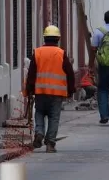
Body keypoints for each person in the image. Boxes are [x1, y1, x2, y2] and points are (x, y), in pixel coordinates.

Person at [25, 25, 75, 153]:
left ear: (45, 38)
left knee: (39, 113)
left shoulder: (37, 52)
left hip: (40, 91)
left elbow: (31, 74)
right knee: (54, 117)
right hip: (57, 93)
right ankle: (50, 144)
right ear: (58, 38)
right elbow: (70, 73)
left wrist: (29, 90)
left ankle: (39, 132)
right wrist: (71, 90)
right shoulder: (61, 53)